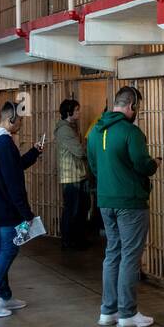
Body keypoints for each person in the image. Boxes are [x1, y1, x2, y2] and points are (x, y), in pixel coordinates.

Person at [87, 86, 160, 327]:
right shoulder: (132, 132)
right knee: (130, 255)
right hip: (130, 202)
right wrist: (155, 163)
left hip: (105, 201)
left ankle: (108, 311)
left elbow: (94, 166)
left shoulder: (95, 132)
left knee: (113, 253)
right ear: (131, 107)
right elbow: (143, 165)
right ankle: (127, 313)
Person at [0, 102, 43, 318]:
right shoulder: (4, 143)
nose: (22, 123)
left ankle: (4, 295)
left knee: (0, 252)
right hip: (7, 209)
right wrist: (26, 213)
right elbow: (14, 182)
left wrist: (34, 152)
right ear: (11, 119)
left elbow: (14, 167)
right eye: (20, 119)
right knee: (9, 251)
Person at [55, 99, 90, 250]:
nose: (79, 112)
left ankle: (76, 240)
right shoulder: (65, 130)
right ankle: (69, 242)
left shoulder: (69, 128)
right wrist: (88, 144)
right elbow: (79, 151)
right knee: (73, 210)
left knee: (79, 209)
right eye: (76, 110)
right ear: (69, 112)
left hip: (76, 174)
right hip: (71, 175)